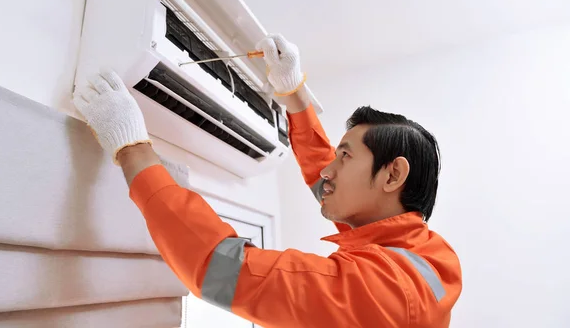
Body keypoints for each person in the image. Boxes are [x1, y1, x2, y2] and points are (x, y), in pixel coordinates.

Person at [73, 34, 462, 327]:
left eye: (346, 156)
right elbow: (325, 174)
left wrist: (133, 149)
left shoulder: (381, 291)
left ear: (392, 175)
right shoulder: (422, 253)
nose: (328, 171)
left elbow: (223, 269)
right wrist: (293, 94)